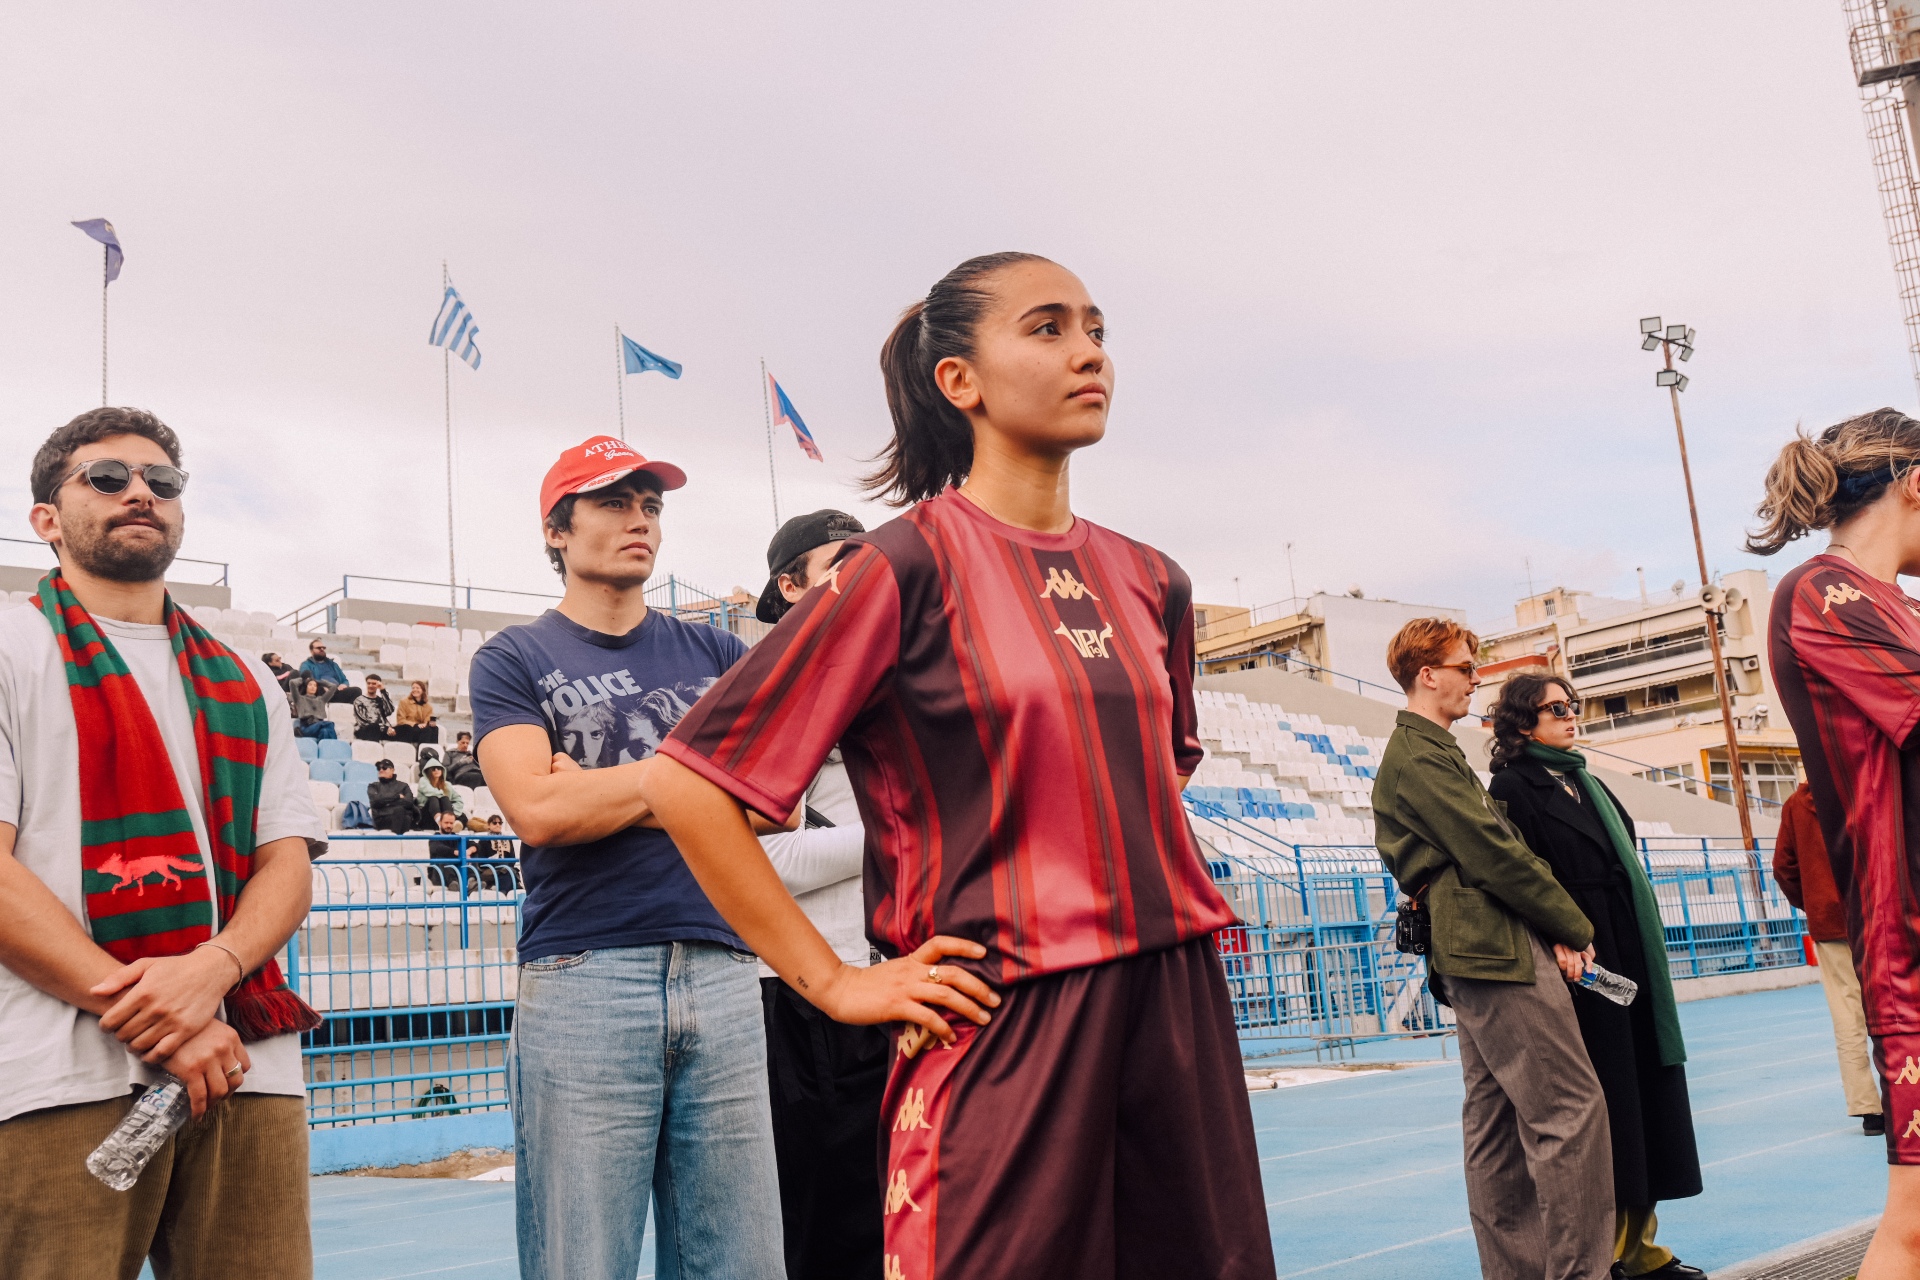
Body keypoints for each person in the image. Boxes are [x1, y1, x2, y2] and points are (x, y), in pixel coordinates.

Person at [642, 253, 1274, 1279]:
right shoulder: (901, 565)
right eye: (1049, 327)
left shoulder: (1155, 579)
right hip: (1003, 1009)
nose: (1089, 353)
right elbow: (687, 782)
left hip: (1176, 999)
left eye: (1098, 329)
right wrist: (837, 982)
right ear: (960, 382)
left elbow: (1157, 772)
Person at [0, 407, 324, 1275]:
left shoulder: (246, 676)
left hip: (246, 1064)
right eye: (106, 478)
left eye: (162, 482)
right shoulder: (9, 645)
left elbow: (284, 862)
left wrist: (213, 973)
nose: (140, 492)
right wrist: (165, 1019)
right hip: (62, 1072)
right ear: (46, 519)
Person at [470, 434, 785, 1280]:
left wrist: (609, 790)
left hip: (723, 968)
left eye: (651, 505)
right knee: (585, 1260)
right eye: (613, 502)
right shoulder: (515, 656)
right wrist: (688, 788)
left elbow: (769, 805)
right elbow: (537, 808)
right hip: (585, 972)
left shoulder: (716, 652)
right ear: (558, 531)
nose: (641, 520)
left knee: (745, 1262)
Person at [1370, 617, 1614, 1280]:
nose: (1475, 678)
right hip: (1492, 948)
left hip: (1473, 950)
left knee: (1497, 1127)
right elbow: (1493, 852)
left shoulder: (1432, 750)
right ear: (1428, 675)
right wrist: (1573, 924)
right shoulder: (1420, 754)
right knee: (1571, 1112)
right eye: (1464, 667)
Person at [1746, 407, 1920, 1278]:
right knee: (1914, 1224)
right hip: (1910, 937)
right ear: (1915, 482)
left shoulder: (1888, 600)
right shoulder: (1827, 590)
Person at [1487, 673, 1704, 1280]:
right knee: (1605, 1102)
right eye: (1554, 709)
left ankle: (1642, 1248)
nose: (1569, 715)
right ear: (1523, 723)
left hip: (1625, 944)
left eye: (1571, 705)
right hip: (1577, 956)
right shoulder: (1511, 786)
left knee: (1645, 1094)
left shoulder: (1589, 780)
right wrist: (1559, 933)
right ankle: (1600, 1252)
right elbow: (1518, 872)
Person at [752, 508, 886, 1280]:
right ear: (790, 584)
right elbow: (763, 860)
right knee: (819, 1233)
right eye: (841, 561)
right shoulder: (772, 688)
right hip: (803, 997)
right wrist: (913, 839)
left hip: (899, 979)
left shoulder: (886, 676)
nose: (861, 575)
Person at [1774, 779, 1883, 1134]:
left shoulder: (1794, 804)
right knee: (1898, 1006)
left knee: (1846, 1015)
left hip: (1829, 924)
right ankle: (1906, 1092)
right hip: (1876, 915)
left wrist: (1815, 904)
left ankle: (1868, 1109)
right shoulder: (1865, 791)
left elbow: (1783, 867)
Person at [365, 759, 418, 835]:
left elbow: (409, 802)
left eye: (384, 768)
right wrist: (397, 797)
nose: (381, 770)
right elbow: (375, 801)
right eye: (379, 768)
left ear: (392, 770)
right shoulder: (373, 786)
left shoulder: (403, 786)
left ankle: (396, 841)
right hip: (382, 819)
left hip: (402, 817)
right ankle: (397, 840)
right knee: (400, 812)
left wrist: (385, 802)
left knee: (401, 813)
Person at [298, 639, 359, 704]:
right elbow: (307, 679)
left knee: (357, 691)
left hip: (336, 691)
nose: (322, 649)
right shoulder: (306, 664)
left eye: (323, 648)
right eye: (318, 648)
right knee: (318, 689)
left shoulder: (333, 664)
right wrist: (325, 685)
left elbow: (344, 680)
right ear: (311, 651)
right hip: (321, 691)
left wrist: (344, 685)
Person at [415, 760, 465, 829]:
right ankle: (440, 822)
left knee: (445, 799)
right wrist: (443, 794)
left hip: (443, 812)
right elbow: (431, 792)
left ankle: (449, 821)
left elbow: (458, 800)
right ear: (429, 771)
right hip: (427, 815)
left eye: (439, 768)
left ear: (442, 770)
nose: (436, 770)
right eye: (433, 769)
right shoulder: (423, 780)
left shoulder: (447, 784)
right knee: (434, 798)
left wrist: (455, 811)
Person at [289, 676, 339, 740]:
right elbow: (292, 683)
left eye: (315, 685)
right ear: (306, 686)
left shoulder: (321, 700)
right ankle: (335, 743)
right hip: (306, 727)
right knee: (330, 724)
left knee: (325, 731)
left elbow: (333, 687)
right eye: (310, 685)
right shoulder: (299, 699)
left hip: (320, 725)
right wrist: (303, 680)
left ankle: (324, 748)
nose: (313, 687)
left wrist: (320, 682)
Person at [353, 674, 398, 743]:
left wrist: (383, 690)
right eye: (369, 683)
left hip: (382, 730)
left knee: (404, 729)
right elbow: (363, 721)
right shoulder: (359, 700)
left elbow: (390, 710)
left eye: (374, 684)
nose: (370, 686)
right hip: (365, 730)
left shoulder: (380, 700)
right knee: (373, 727)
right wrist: (385, 728)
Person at [394, 679, 439, 745]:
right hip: (407, 728)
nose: (415, 690)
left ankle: (432, 751)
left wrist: (428, 723)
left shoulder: (428, 706)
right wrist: (416, 725)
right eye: (413, 688)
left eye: (417, 688)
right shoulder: (404, 702)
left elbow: (427, 720)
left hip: (420, 730)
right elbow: (401, 720)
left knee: (434, 728)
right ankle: (422, 752)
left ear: (423, 690)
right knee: (426, 730)